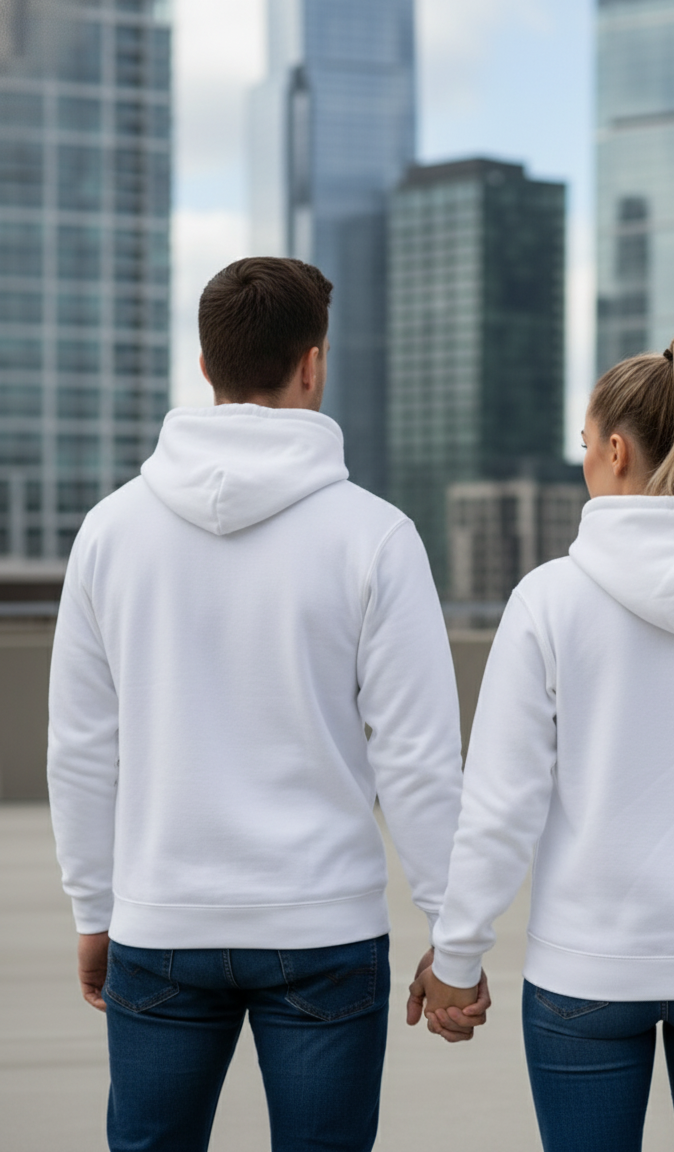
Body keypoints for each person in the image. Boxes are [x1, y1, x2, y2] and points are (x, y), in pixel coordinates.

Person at [47, 257, 486, 1152]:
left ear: (205, 367)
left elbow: (84, 745)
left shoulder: (111, 531)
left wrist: (96, 907)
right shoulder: (375, 536)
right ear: (312, 365)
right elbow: (418, 757)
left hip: (161, 917)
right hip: (323, 926)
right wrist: (452, 933)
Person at [410, 334, 674, 1151]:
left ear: (615, 449)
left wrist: (456, 960)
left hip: (586, 973)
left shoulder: (548, 601)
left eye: (583, 445)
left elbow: (502, 806)